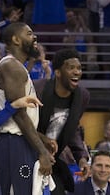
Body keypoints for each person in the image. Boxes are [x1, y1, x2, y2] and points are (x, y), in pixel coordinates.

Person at [0, 22, 56, 195]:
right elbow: (19, 116)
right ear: (16, 40)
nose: (34, 37)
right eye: (29, 33)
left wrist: (42, 139)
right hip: (13, 143)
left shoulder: (18, 67)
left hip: (20, 141)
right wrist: (42, 151)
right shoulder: (11, 67)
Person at [34, 48, 91, 194]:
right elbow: (22, 124)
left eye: (79, 68)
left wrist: (81, 158)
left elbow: (72, 129)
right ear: (58, 72)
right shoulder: (37, 89)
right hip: (28, 154)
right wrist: (43, 143)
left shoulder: (82, 96)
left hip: (53, 161)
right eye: (71, 68)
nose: (77, 72)